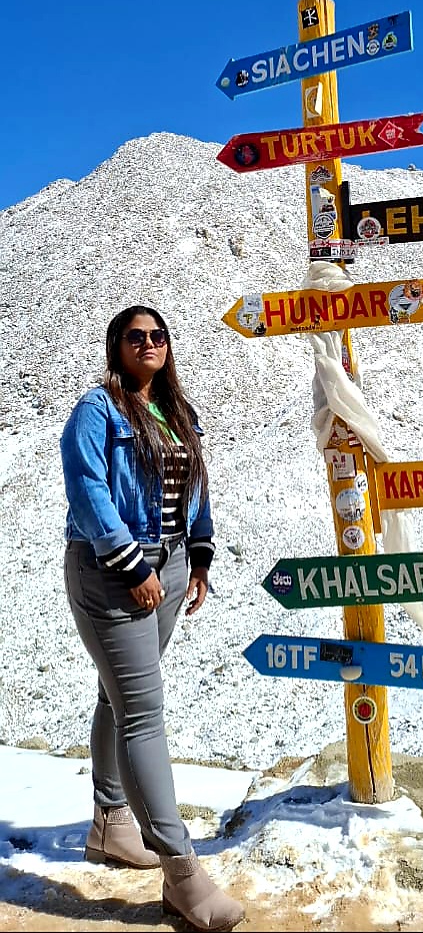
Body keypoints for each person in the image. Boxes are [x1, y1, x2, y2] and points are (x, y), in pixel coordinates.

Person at [61, 305, 244, 933]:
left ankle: (111, 822)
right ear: (116, 346)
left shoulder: (178, 413)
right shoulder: (97, 410)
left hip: (165, 571)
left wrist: (198, 556)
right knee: (143, 713)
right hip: (114, 571)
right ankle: (182, 874)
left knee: (119, 700)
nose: (149, 343)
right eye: (136, 336)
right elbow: (87, 489)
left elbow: (197, 488)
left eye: (158, 335)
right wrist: (131, 564)